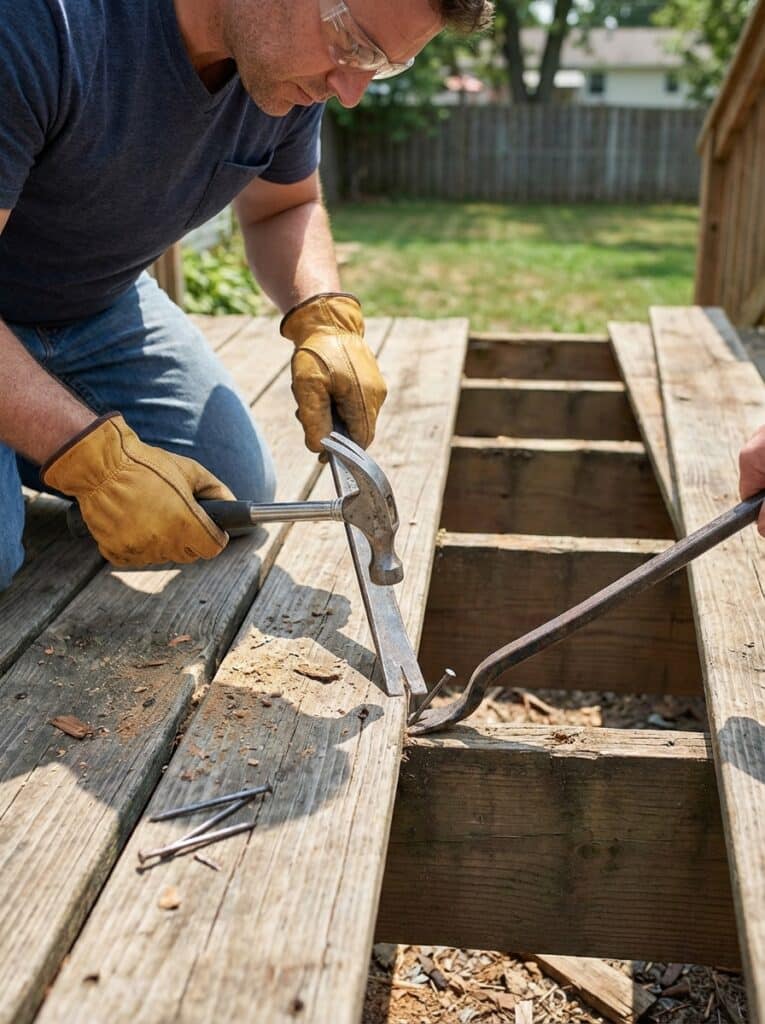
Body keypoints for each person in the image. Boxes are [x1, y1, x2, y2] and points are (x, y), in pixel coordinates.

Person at [0, 0, 494, 590]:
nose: (352, 89)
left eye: (384, 65)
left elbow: (285, 206)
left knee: (232, 490)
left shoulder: (283, 74)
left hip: (95, 303)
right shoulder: (40, 24)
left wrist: (323, 316)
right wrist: (89, 458)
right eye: (354, 44)